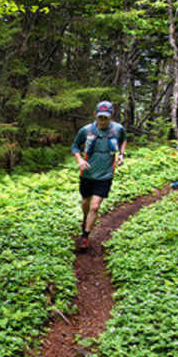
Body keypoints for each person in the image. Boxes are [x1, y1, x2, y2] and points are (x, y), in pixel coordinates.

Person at [71, 101, 126, 252]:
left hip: (105, 174)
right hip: (87, 174)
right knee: (86, 203)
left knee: (95, 207)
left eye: (105, 118)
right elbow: (75, 146)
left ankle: (85, 236)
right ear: (95, 115)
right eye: (100, 117)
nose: (102, 121)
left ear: (111, 117)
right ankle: (85, 220)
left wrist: (121, 154)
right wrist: (79, 160)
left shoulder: (118, 129)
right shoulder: (86, 130)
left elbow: (123, 140)